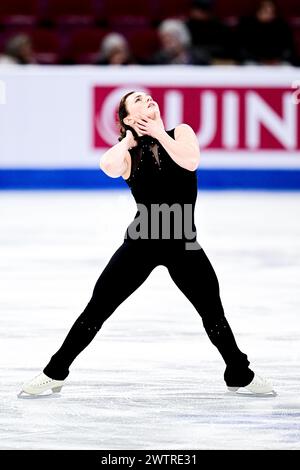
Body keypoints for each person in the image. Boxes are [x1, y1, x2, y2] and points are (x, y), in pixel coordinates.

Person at [18, 91, 275, 397]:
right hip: (141, 243)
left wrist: (157, 132)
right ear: (127, 118)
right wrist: (128, 140)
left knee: (213, 313)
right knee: (97, 309)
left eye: (149, 97)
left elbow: (190, 162)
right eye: (138, 100)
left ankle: (238, 374)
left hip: (183, 243)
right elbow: (107, 166)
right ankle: (55, 372)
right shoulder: (128, 152)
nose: (148, 100)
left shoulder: (180, 133)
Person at [236, 0, 295, 65]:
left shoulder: (281, 26)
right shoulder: (247, 25)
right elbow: (242, 49)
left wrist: (277, 59)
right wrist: (260, 60)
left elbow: (288, 49)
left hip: (277, 62)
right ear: (258, 11)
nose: (269, 15)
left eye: (272, 12)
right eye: (265, 11)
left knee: (287, 66)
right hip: (254, 61)